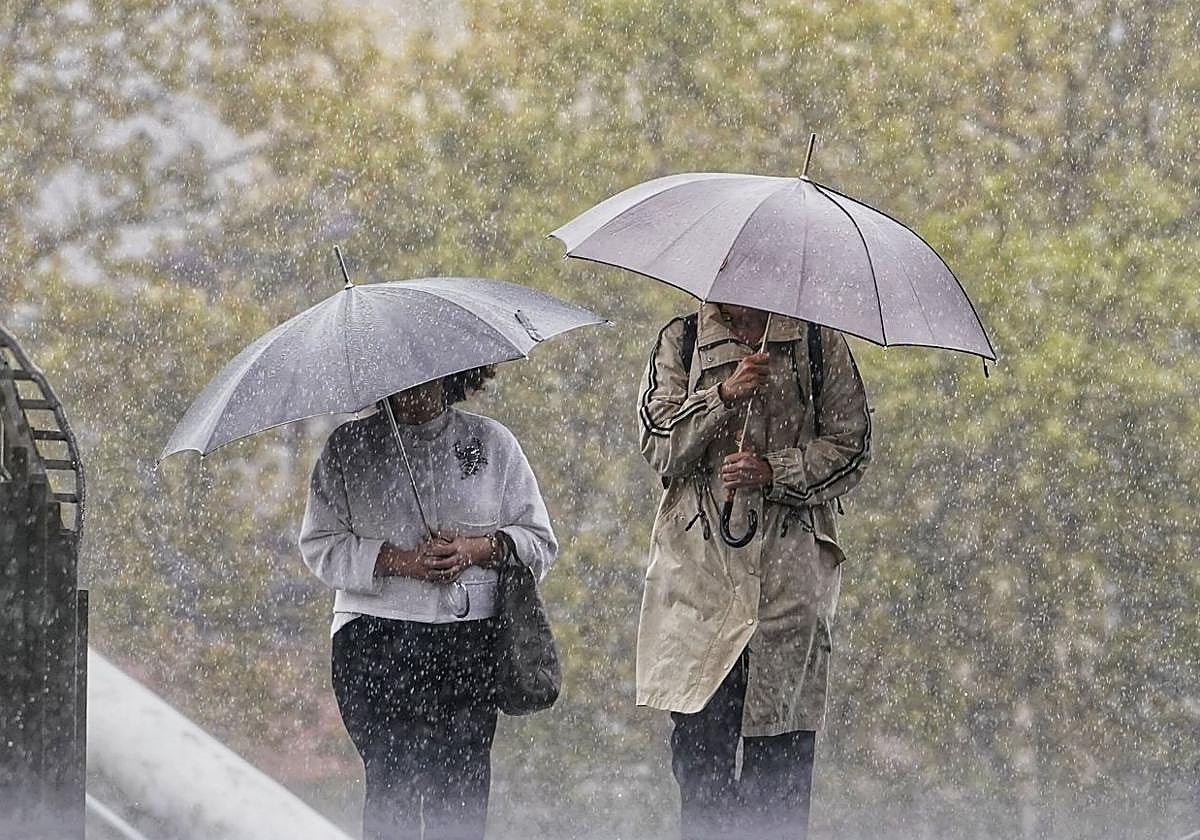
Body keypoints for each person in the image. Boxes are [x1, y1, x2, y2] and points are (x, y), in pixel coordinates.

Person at [637, 303, 871, 840]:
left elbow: (852, 445)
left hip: (788, 587)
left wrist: (776, 470)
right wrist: (723, 396)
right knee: (702, 772)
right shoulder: (684, 339)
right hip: (701, 585)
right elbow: (659, 445)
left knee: (781, 775)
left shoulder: (816, 342)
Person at [299, 366, 557, 840]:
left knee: (459, 794)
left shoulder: (493, 443)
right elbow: (320, 546)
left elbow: (539, 541)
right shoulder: (347, 448)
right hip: (374, 641)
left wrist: (475, 550)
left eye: (426, 378)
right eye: (400, 381)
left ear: (454, 374)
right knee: (392, 785)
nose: (414, 391)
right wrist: (399, 561)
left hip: (468, 644)